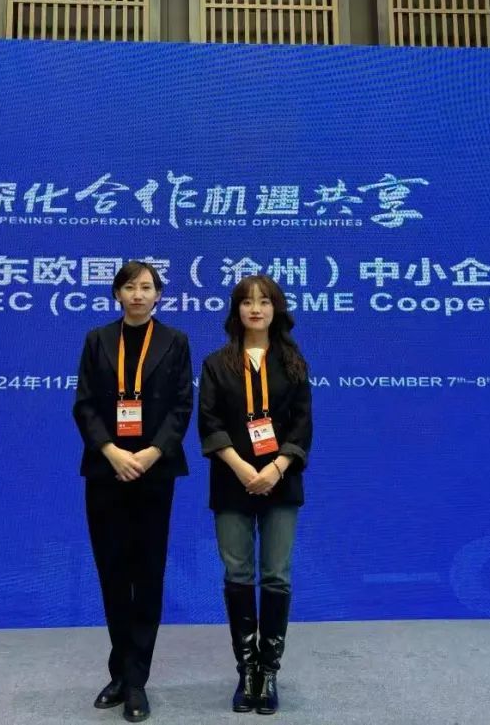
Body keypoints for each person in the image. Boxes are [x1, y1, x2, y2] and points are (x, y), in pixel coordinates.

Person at [72, 260, 193, 723]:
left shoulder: (175, 341)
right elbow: (84, 405)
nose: (138, 294)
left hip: (154, 472)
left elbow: (181, 406)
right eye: (129, 287)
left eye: (146, 287)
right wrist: (112, 452)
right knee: (112, 572)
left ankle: (137, 679)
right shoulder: (97, 340)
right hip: (106, 471)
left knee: (147, 573)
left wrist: (151, 454)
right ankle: (120, 671)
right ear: (117, 294)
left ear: (158, 295)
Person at [197, 274, 312, 715]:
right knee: (238, 573)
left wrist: (277, 467)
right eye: (247, 302)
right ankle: (247, 672)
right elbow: (209, 422)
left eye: (264, 301)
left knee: (277, 575)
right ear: (236, 311)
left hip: (282, 481)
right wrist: (244, 468)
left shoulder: (294, 362)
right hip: (233, 480)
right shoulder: (217, 363)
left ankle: (270, 672)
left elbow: (302, 424)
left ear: (276, 309)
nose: (256, 309)